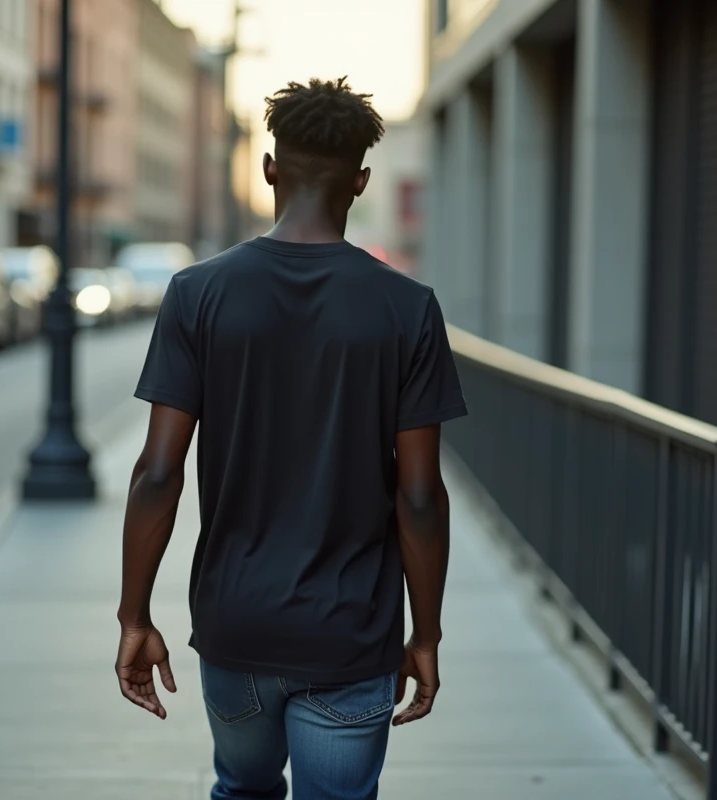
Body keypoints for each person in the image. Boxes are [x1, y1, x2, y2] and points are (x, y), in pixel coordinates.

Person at [115, 77, 467, 800]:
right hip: (351, 631)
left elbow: (157, 472)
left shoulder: (197, 294)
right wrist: (425, 635)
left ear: (270, 168)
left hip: (236, 622)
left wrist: (134, 614)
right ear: (361, 182)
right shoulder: (407, 309)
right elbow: (421, 495)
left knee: (242, 789)